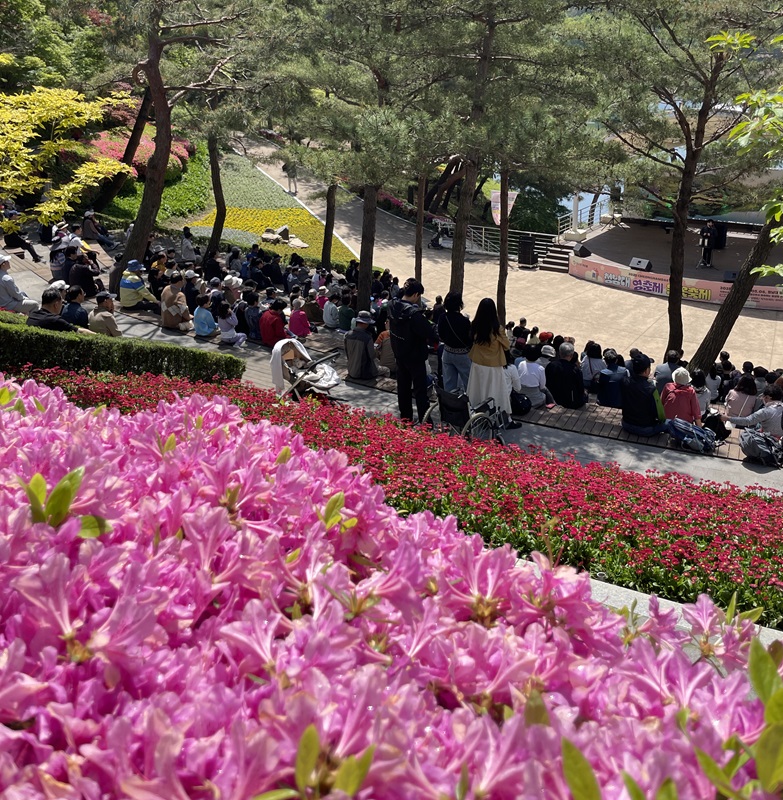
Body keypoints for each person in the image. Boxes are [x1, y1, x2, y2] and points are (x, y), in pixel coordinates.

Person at [466, 297, 520, 428]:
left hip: (477, 363)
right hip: (493, 365)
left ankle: (477, 416)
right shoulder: (497, 329)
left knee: (477, 390)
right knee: (495, 393)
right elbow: (507, 345)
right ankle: (499, 420)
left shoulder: (475, 325)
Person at [388, 278, 437, 423]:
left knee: (403, 388)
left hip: (399, 353)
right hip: (415, 356)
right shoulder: (414, 314)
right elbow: (429, 333)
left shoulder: (392, 305)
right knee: (420, 391)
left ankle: (405, 418)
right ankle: (425, 422)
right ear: (415, 294)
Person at [619, 354, 668, 436]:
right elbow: (661, 415)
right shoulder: (651, 389)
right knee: (670, 423)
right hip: (645, 429)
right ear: (647, 370)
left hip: (626, 423)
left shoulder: (624, 381)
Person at [438, 291, 472, 393]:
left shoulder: (443, 317)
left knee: (449, 384)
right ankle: (469, 405)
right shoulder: (465, 321)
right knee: (468, 383)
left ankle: (450, 405)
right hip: (462, 354)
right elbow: (469, 339)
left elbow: (441, 335)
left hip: (447, 352)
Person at [344, 310, 391, 380]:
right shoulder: (367, 337)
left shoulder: (347, 335)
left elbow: (347, 353)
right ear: (365, 323)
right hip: (364, 373)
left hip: (351, 370)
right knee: (386, 370)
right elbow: (372, 356)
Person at [26, 287, 92, 333]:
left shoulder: (32, 316)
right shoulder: (55, 321)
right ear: (56, 305)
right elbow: (79, 331)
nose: (63, 305)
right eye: (62, 302)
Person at [546, 342, 587, 409]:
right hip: (569, 402)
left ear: (559, 353)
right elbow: (580, 388)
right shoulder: (575, 369)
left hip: (552, 398)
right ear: (571, 355)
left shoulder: (551, 365)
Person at [516, 344, 553, 409]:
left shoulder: (521, 363)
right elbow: (542, 386)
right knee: (546, 391)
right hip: (535, 398)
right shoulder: (540, 368)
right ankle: (552, 404)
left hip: (521, 394)